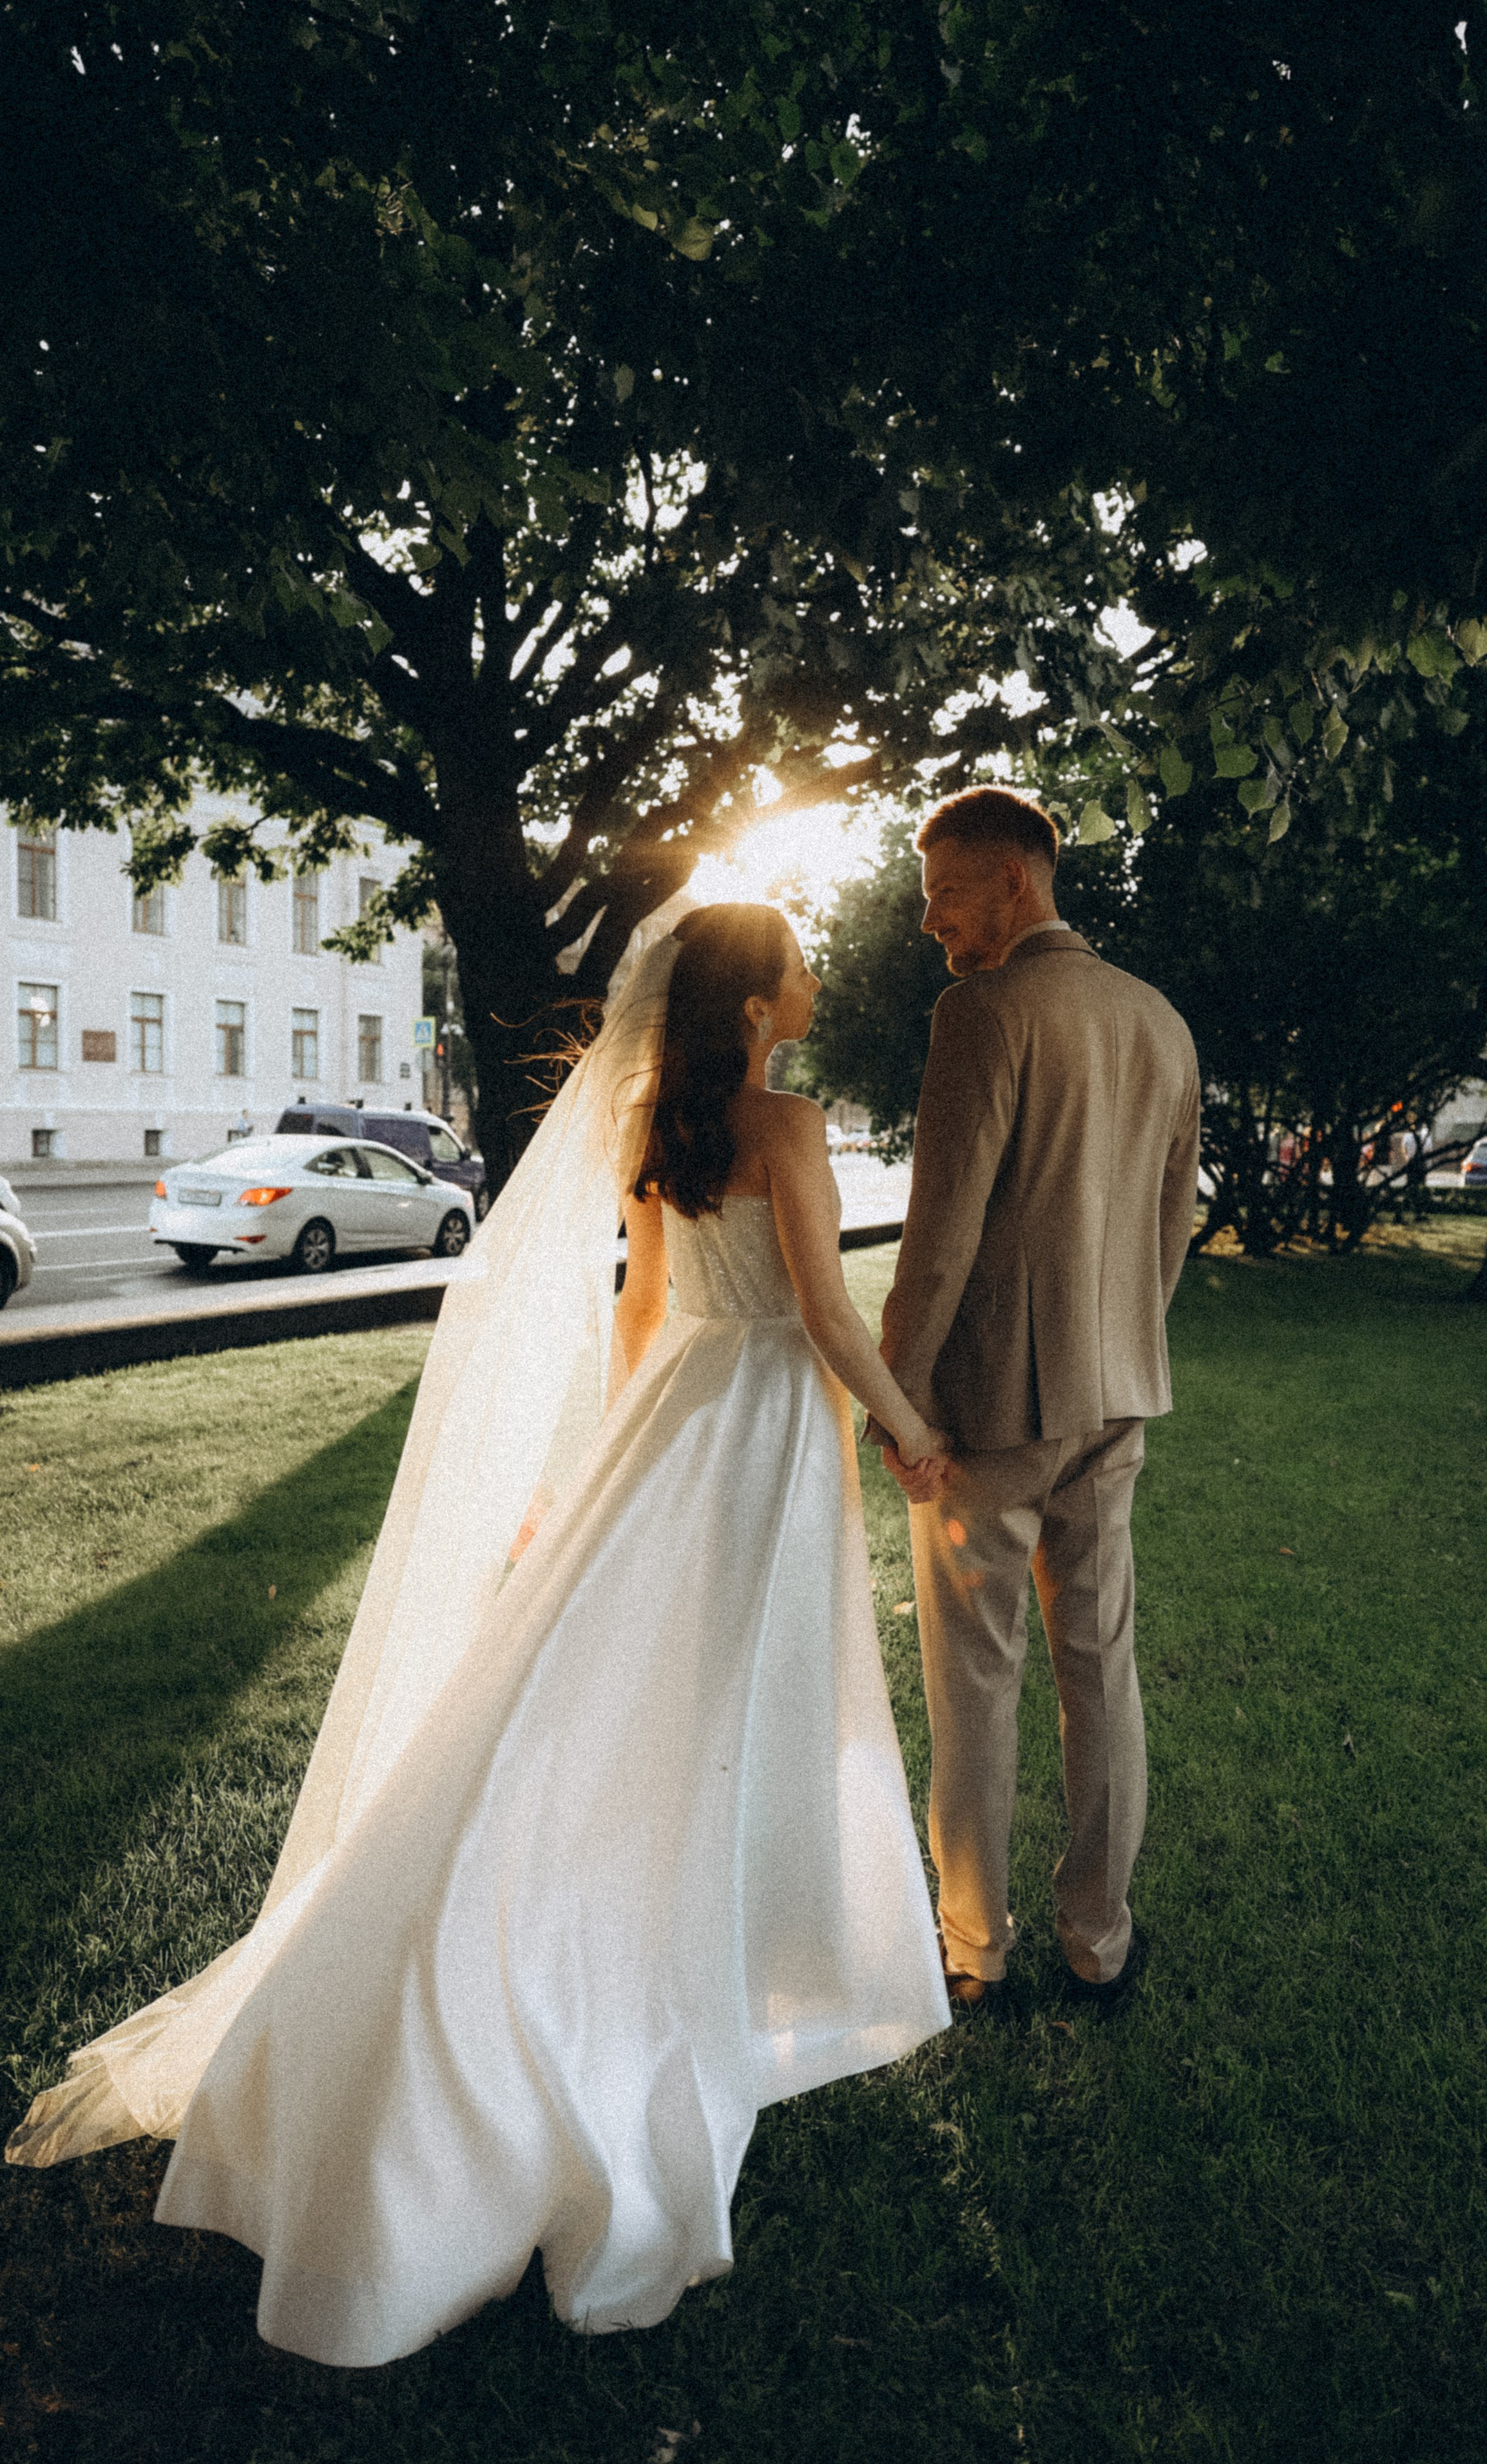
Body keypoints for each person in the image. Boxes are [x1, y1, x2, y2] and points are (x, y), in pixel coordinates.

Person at [6, 902, 950, 2362]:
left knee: (601, 1703)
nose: (817, 980)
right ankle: (665, 1958)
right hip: (759, 1425)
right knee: (713, 1705)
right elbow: (825, 1312)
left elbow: (638, 1318)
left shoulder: (655, 1118)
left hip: (671, 1428)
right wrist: (912, 1435)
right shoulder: (793, 1124)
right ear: (761, 1003)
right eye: (800, 965)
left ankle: (589, 1937)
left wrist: (590, 1473)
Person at [869, 788, 1200, 2014]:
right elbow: (1172, 1222)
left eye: (941, 895)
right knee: (1100, 1665)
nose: (929, 924)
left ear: (1011, 881)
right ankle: (1100, 1938)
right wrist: (1121, 1344)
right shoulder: (1159, 1019)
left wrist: (900, 1401)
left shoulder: (984, 1012)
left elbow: (939, 1238)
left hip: (990, 1417)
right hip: (1118, 1396)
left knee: (976, 1677)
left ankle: (978, 1948)